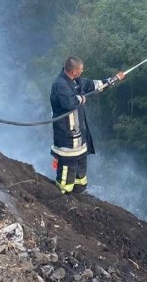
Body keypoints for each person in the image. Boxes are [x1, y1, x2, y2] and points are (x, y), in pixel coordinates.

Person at [50, 56, 125, 194]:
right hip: (67, 139)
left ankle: (79, 194)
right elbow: (68, 103)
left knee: (80, 171)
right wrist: (81, 98)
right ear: (74, 71)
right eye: (81, 69)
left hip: (79, 139)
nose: (83, 71)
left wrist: (113, 80)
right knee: (67, 172)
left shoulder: (76, 82)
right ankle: (61, 200)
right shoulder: (60, 85)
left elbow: (94, 85)